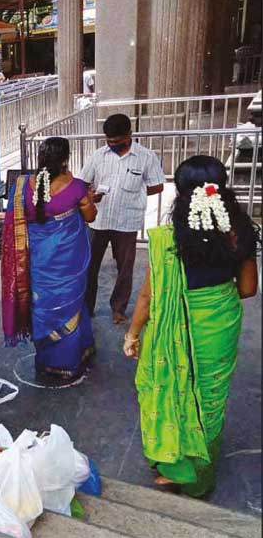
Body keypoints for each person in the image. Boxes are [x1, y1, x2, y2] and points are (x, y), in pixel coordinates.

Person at [123, 156, 259, 497]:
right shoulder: (237, 234)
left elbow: (147, 299)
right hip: (219, 325)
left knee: (168, 388)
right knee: (209, 398)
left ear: (182, 197)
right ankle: (199, 478)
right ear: (222, 191)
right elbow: (247, 289)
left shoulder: (168, 240)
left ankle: (172, 464)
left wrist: (132, 334)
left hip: (173, 328)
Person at [2, 137, 98, 381]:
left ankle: (47, 360)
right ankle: (71, 358)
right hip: (68, 260)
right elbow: (90, 218)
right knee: (72, 304)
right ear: (65, 158)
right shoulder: (76, 187)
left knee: (43, 303)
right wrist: (89, 199)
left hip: (37, 258)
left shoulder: (22, 185)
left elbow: (15, 219)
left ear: (41, 158)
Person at [82, 113, 165, 324]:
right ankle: (86, 308)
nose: (112, 145)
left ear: (129, 135)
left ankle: (118, 308)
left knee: (125, 269)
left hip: (127, 221)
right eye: (109, 141)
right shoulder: (98, 156)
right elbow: (83, 182)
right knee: (89, 266)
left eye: (117, 141)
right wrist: (91, 195)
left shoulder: (146, 157)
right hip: (98, 221)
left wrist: (136, 190)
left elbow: (158, 185)